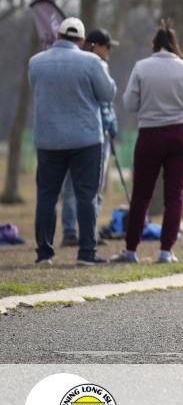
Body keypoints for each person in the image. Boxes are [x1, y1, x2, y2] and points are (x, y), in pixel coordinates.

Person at [110, 22, 183, 263]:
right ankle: (166, 251)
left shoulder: (141, 67)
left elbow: (130, 104)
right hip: (181, 135)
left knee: (141, 194)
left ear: (154, 45)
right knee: (175, 195)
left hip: (150, 135)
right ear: (174, 45)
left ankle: (131, 250)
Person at [28, 17, 117, 265]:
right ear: (81, 40)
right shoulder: (92, 62)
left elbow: (36, 87)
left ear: (58, 36)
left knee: (47, 197)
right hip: (85, 140)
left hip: (48, 140)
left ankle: (44, 252)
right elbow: (108, 93)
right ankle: (86, 252)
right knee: (86, 196)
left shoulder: (35, 62)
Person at [59, 29, 120, 247]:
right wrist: (109, 126)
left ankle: (82, 231)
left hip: (94, 132)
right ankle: (76, 232)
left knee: (86, 187)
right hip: (93, 134)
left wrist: (112, 126)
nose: (110, 50)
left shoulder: (96, 65)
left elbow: (108, 104)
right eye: (107, 46)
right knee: (84, 186)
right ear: (96, 46)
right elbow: (103, 103)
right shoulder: (92, 65)